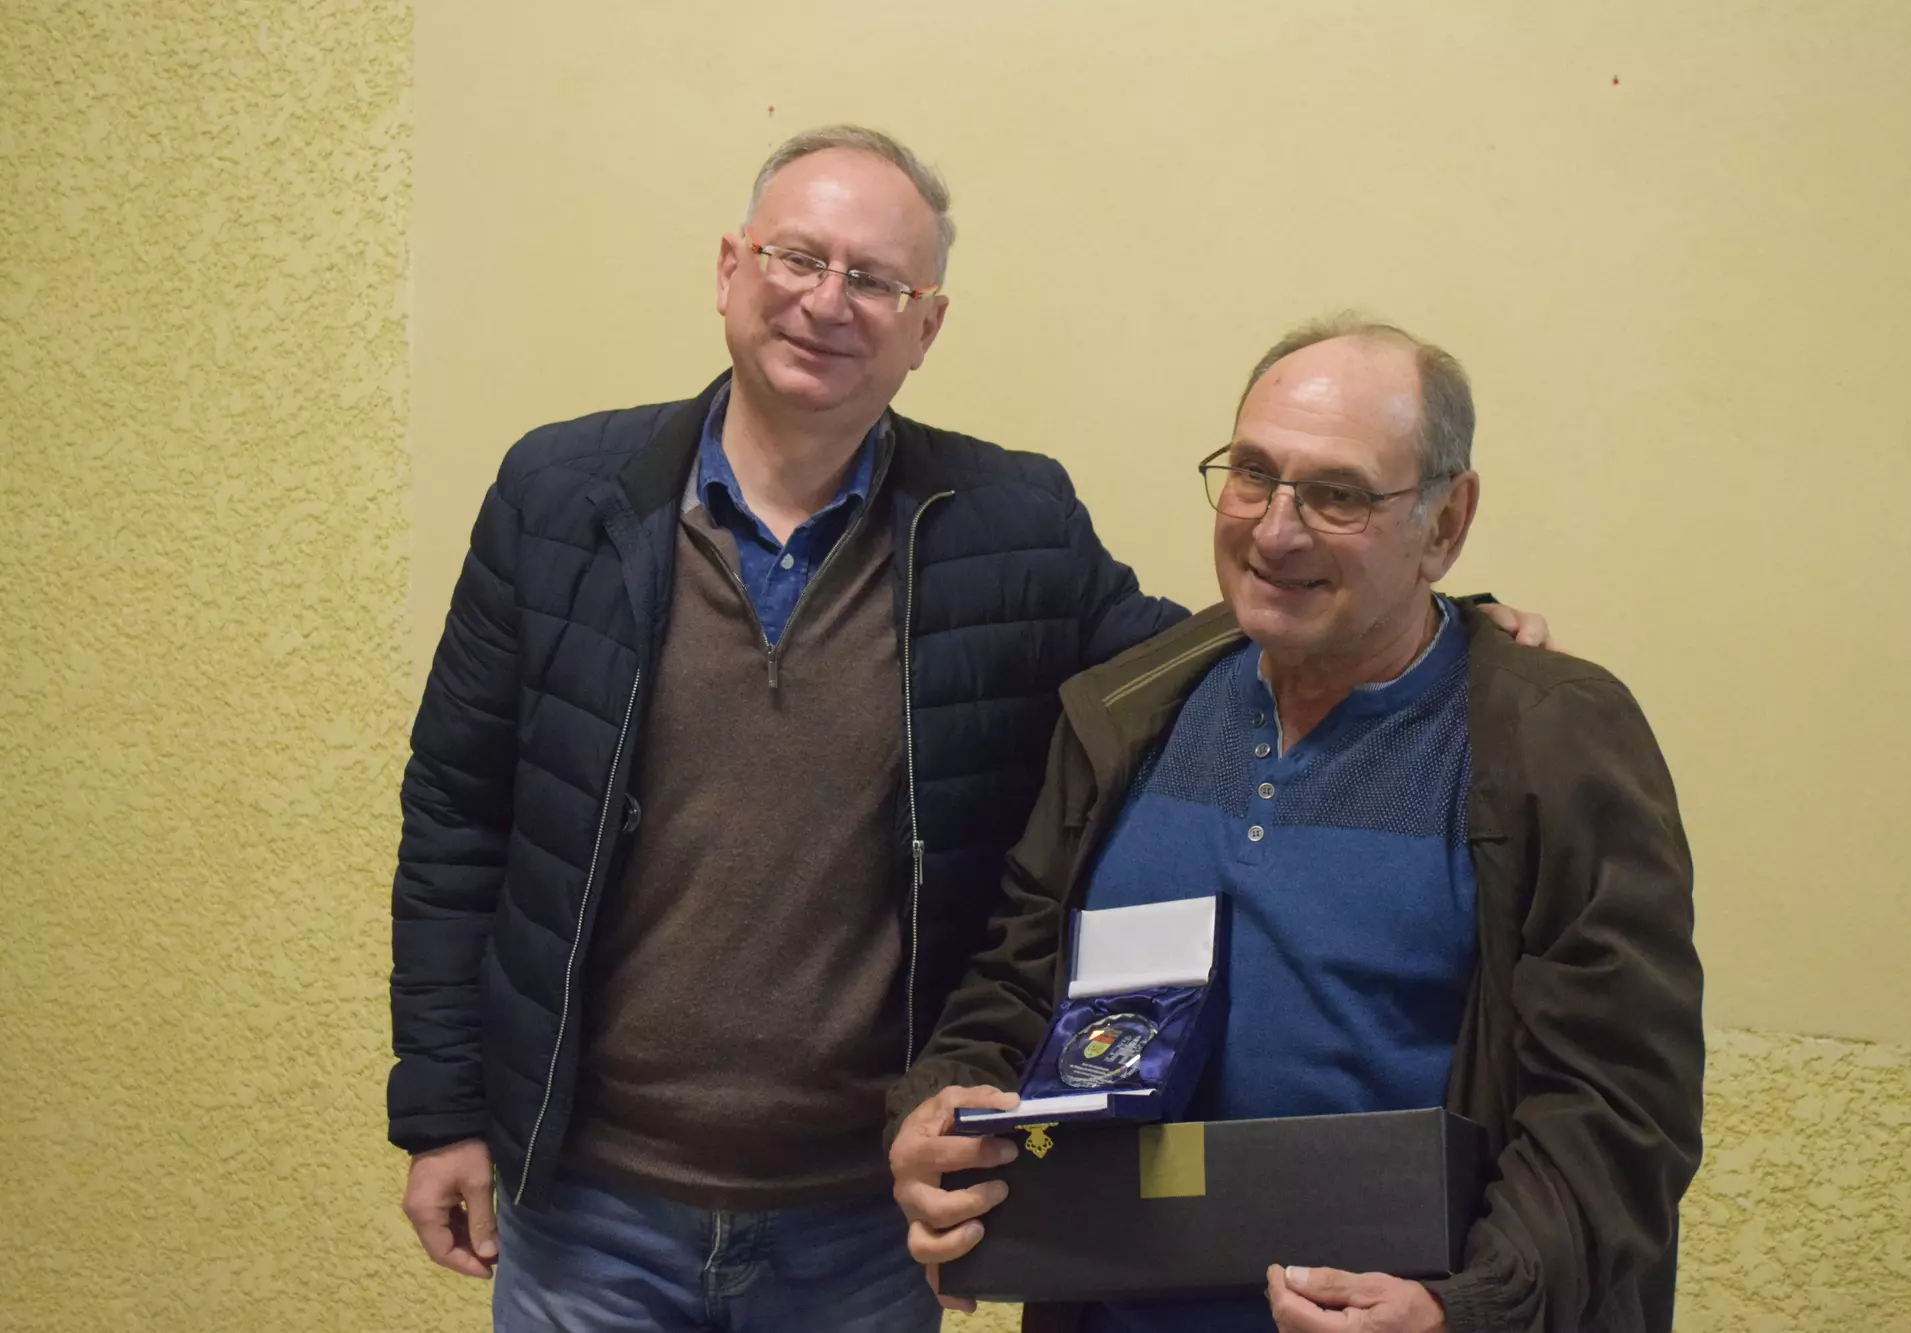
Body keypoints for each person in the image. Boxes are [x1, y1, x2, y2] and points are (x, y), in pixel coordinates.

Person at [388, 123, 1551, 1333]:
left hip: (865, 1221)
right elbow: (457, 818)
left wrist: (1435, 614)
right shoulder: (557, 498)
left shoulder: (1009, 523)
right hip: (587, 1206)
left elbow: (1213, 648)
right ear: (730, 267)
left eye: (876, 280)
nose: (825, 302)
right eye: (796, 257)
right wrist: (442, 1108)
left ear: (923, 326)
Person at [888, 316, 1703, 1333]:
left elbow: (1615, 1107)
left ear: (1444, 525)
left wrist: (1466, 1309)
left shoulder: (1549, 743)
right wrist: (944, 1103)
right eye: (1251, 473)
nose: (1275, 529)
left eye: (1337, 494)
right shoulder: (1127, 712)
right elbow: (1018, 983)